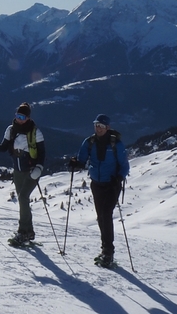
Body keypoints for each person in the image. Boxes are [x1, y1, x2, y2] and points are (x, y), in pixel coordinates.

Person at [68, 114, 130, 268]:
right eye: (96, 125)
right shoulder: (89, 142)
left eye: (101, 126)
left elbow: (124, 166)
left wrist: (119, 178)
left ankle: (108, 252)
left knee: (106, 214)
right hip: (96, 184)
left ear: (107, 128)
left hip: (112, 185)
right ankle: (106, 249)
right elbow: (82, 160)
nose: (98, 128)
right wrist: (75, 163)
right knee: (100, 217)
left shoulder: (116, 144)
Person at [0, 102, 46, 246]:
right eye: (17, 115)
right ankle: (29, 232)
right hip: (18, 170)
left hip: (32, 171)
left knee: (23, 197)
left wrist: (39, 167)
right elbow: (5, 146)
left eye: (22, 116)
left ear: (27, 117)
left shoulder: (35, 132)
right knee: (23, 201)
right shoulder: (11, 130)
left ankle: (22, 232)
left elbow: (42, 153)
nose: (19, 119)